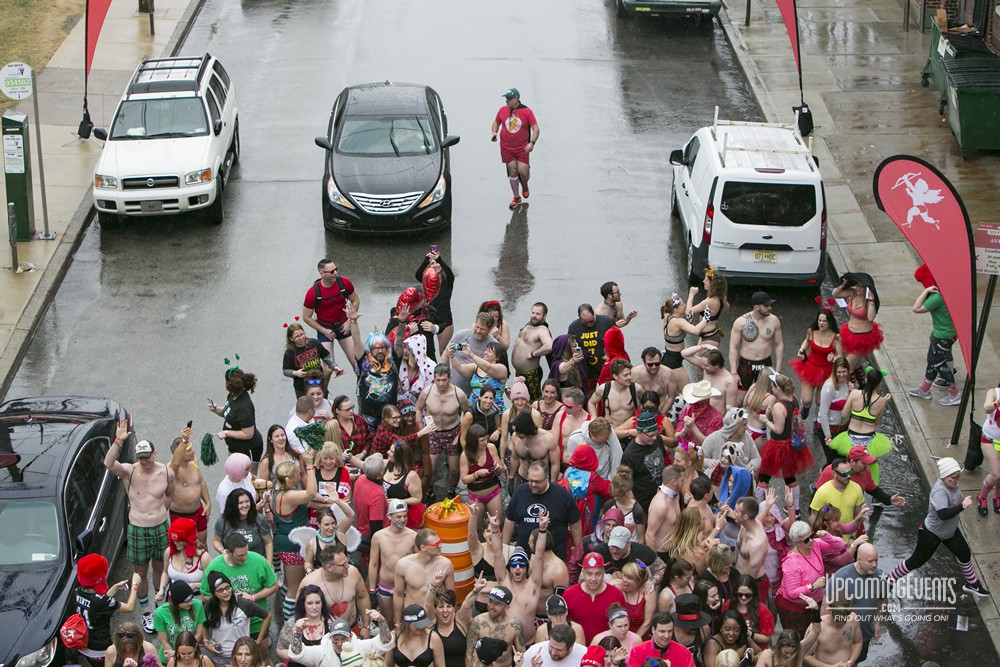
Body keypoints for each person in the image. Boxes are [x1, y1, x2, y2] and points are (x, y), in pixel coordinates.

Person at [103, 418, 175, 634]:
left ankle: (160, 607)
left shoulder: (166, 472)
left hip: (161, 526)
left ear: (154, 454)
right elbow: (108, 463)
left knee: (161, 568)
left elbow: (170, 494)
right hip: (138, 528)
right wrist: (118, 441)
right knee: (140, 571)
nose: (144, 461)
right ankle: (146, 612)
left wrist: (162, 511)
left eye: (147, 457)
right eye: (141, 458)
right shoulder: (130, 471)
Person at [888, 457, 990, 596]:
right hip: (932, 533)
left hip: (950, 531)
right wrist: (963, 505)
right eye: (952, 478)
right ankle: (889, 580)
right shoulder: (940, 491)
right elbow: (943, 514)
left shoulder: (953, 485)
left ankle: (972, 584)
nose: (955, 481)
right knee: (916, 561)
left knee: (964, 553)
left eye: (957, 478)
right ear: (944, 476)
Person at [200, 533, 278, 642]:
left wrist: (253, 597)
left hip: (256, 622)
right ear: (228, 551)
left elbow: (273, 586)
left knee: (261, 656)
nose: (245, 558)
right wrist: (227, 597)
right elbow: (205, 596)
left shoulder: (259, 561)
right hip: (227, 625)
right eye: (240, 556)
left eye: (246, 553)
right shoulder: (215, 566)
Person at [774, 521, 845, 637]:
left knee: (816, 633)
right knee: (799, 638)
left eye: (811, 536)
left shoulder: (815, 545)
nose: (811, 540)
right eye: (806, 540)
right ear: (797, 543)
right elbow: (791, 592)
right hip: (793, 606)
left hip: (814, 602)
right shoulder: (791, 563)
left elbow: (840, 546)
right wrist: (812, 586)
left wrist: (827, 536)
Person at [755, 373, 810, 516]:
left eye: (773, 386)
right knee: (790, 477)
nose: (771, 389)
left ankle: (762, 508)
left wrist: (765, 421)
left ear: (778, 389)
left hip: (778, 445)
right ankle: (795, 509)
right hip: (791, 444)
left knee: (764, 476)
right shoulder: (794, 399)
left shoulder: (779, 406)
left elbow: (778, 429)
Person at [504, 461, 583, 560]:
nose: (533, 485)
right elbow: (510, 520)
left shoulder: (562, 495)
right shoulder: (520, 492)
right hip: (524, 558)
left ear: (547, 478)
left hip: (554, 558)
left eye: (537, 481)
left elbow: (575, 522)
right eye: (530, 480)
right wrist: (504, 547)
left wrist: (578, 551)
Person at [273, 455, 320, 618]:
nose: (300, 476)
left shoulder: (276, 491)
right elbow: (311, 493)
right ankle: (289, 624)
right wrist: (309, 466)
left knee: (288, 583)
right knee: (295, 587)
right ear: (292, 478)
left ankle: (282, 608)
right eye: (298, 474)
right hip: (293, 544)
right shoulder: (289, 496)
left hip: (281, 542)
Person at [907, 264, 962, 406]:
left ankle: (954, 394)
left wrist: (926, 292)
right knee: (932, 359)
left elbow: (916, 308)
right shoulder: (951, 291)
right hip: (947, 333)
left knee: (938, 363)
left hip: (942, 335)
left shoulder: (937, 296)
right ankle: (924, 389)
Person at [828, 367, 893, 485]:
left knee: (848, 465)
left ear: (866, 380)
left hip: (850, 438)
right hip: (869, 440)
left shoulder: (854, 394)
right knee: (869, 465)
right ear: (879, 384)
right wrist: (884, 403)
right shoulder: (882, 400)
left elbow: (844, 414)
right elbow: (877, 422)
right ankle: (872, 486)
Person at [73, 554, 141, 664]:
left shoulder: (77, 592)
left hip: (83, 645)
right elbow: (130, 607)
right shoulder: (101, 602)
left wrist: (114, 588)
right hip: (101, 649)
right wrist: (135, 585)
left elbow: (98, 605)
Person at [490, 517, 548, 643]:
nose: (517, 568)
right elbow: (497, 553)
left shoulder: (533, 586)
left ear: (526, 569)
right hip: (504, 642)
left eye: (521, 565)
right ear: (509, 568)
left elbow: (539, 555)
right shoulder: (504, 582)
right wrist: (495, 530)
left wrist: (542, 530)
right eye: (514, 565)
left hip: (527, 643)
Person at [417, 363, 469, 497]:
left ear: (450, 378)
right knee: (429, 467)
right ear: (434, 379)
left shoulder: (459, 394)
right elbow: (418, 408)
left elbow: (468, 414)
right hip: (433, 433)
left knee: (454, 469)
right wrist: (421, 427)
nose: (441, 384)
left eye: (444, 380)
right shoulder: (427, 392)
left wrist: (462, 434)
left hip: (453, 432)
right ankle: (429, 491)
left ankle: (451, 491)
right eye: (438, 380)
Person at [828, 543, 886, 664]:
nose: (874, 565)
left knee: (856, 660)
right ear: (859, 560)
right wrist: (830, 631)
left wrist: (877, 622)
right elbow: (826, 606)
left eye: (876, 560)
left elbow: (882, 600)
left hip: (865, 633)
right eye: (870, 561)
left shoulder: (880, 577)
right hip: (844, 635)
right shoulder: (840, 578)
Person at [202, 571, 271, 665]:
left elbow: (267, 616)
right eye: (220, 590)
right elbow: (204, 624)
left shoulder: (243, 604)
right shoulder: (209, 607)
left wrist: (258, 641)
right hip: (219, 657)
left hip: (242, 658)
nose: (225, 592)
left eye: (227, 587)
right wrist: (207, 644)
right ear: (214, 593)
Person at [351, 313, 406, 431]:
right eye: (377, 348)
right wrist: (353, 322)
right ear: (371, 349)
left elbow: (400, 340)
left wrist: (402, 323)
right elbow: (356, 341)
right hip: (367, 419)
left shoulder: (393, 363)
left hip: (391, 419)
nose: (380, 350)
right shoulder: (364, 363)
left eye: (383, 347)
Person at [298, 542, 371, 628]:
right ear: (330, 567)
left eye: (347, 561)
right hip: (324, 633)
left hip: (352, 629)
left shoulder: (353, 573)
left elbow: (362, 597)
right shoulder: (309, 582)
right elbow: (300, 611)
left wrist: (366, 626)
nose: (348, 566)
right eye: (343, 564)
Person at [302, 258, 361, 363]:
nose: (336, 273)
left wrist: (349, 322)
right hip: (325, 329)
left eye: (336, 269)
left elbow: (355, 300)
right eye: (332, 271)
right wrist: (324, 331)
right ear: (322, 274)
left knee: (357, 363)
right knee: (328, 368)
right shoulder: (313, 293)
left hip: (344, 326)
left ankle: (360, 379)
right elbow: (306, 317)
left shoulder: (344, 283)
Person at [787, 306, 841, 420]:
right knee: (807, 399)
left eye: (824, 321)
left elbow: (840, 357)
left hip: (827, 370)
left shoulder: (836, 338)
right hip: (810, 367)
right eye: (819, 320)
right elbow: (806, 341)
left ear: (830, 322)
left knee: (820, 401)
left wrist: (834, 359)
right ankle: (805, 408)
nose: (821, 323)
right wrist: (801, 350)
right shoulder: (812, 331)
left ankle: (818, 419)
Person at [728, 292, 784, 399]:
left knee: (766, 398)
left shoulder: (774, 321)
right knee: (740, 399)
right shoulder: (740, 322)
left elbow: (779, 345)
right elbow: (733, 348)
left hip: (765, 364)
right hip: (746, 365)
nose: (770, 308)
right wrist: (734, 372)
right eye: (766, 306)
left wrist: (778, 370)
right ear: (757, 307)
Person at [394, 529, 456, 624]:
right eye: (436, 544)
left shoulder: (445, 564)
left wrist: (450, 621)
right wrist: (398, 623)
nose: (440, 546)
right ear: (423, 547)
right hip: (413, 617)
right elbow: (398, 595)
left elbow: (450, 596)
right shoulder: (403, 565)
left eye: (440, 542)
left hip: (434, 618)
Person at [492, 87, 539, 210]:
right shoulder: (502, 110)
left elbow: (535, 129)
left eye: (509, 99)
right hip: (507, 147)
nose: (506, 101)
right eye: (506, 99)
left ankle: (524, 186)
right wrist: (494, 133)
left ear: (517, 99)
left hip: (522, 148)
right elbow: (496, 122)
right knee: (512, 170)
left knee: (523, 172)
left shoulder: (527, 112)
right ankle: (516, 197)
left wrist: (532, 143)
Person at [288, 613, 395, 667]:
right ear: (330, 638)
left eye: (343, 639)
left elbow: (385, 643)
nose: (339, 644)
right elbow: (298, 654)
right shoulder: (322, 652)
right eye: (335, 640)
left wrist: (381, 621)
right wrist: (297, 634)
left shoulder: (362, 647)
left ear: (350, 637)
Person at [209, 368, 265, 467]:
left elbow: (248, 434)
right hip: (235, 446)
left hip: (248, 448)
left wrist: (226, 433)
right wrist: (216, 409)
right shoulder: (233, 395)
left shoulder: (244, 408)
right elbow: (227, 413)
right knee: (232, 474)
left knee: (248, 479)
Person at [168, 425, 213, 546]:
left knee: (202, 543)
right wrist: (184, 439)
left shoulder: (194, 462)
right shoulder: (172, 470)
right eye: (188, 450)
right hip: (181, 516)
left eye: (191, 448)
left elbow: (201, 481)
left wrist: (207, 502)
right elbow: (176, 463)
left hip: (198, 511)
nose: (193, 452)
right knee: (184, 547)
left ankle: (204, 565)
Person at [831, 272, 882, 376]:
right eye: (857, 285)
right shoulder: (852, 293)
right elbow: (835, 294)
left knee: (846, 366)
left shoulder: (869, 301)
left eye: (862, 287)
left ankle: (847, 388)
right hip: (849, 333)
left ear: (867, 288)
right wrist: (842, 285)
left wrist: (871, 302)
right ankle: (863, 384)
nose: (858, 289)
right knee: (855, 364)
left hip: (863, 339)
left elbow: (871, 317)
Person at [465, 585, 525, 667]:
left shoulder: (515, 625)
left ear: (507, 607)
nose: (491, 606)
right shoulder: (478, 622)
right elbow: (469, 654)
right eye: (490, 601)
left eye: (497, 603)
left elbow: (522, 654)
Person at [462, 424, 505, 536]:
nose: (485, 442)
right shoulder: (465, 455)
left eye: (486, 438)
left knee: (497, 523)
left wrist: (498, 468)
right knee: (477, 527)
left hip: (493, 491)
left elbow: (499, 469)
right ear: (474, 441)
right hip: (475, 495)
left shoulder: (491, 448)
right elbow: (464, 479)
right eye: (482, 440)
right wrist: (477, 474)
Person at [808, 458, 865, 542]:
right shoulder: (822, 492)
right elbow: (814, 517)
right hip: (828, 541)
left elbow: (857, 515)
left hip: (848, 540)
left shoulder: (856, 488)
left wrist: (852, 538)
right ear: (834, 473)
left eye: (850, 472)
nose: (848, 476)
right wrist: (821, 537)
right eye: (845, 474)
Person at [621, 411, 667, 512]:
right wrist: (636, 509)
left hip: (662, 496)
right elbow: (626, 485)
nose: (654, 437)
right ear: (639, 432)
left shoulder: (657, 439)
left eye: (656, 434)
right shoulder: (629, 455)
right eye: (650, 435)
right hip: (643, 504)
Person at [156, 518, 212, 601]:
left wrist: (196, 585)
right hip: (174, 601)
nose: (175, 543)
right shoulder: (169, 552)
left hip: (196, 602)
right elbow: (165, 572)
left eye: (179, 540)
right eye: (173, 540)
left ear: (189, 539)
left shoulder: (203, 557)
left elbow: (211, 582)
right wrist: (162, 589)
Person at [212, 488, 273, 562]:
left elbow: (268, 542)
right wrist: (222, 551)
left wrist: (268, 565)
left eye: (247, 501)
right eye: (240, 503)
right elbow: (216, 540)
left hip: (255, 563)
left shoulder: (259, 519)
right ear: (233, 505)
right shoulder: (223, 521)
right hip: (232, 564)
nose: (245, 505)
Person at [568, 304, 617, 395]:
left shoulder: (606, 322)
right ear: (579, 318)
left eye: (591, 321)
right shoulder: (574, 327)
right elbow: (569, 346)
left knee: (609, 392)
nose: (589, 324)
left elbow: (617, 340)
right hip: (587, 368)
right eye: (585, 323)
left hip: (605, 365)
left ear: (594, 313)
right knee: (589, 394)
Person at [448, 312, 501, 395]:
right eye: (477, 327)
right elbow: (445, 355)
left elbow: (498, 369)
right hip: (453, 386)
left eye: (482, 329)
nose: (478, 331)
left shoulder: (494, 346)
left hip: (476, 393)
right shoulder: (461, 335)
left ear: (489, 329)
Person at [284, 322, 341, 398]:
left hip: (318, 382)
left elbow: (326, 356)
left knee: (322, 404)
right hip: (302, 387)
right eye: (297, 336)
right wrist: (296, 373)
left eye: (302, 334)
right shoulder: (290, 352)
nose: (301, 338)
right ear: (291, 338)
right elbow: (285, 370)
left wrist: (333, 366)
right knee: (306, 407)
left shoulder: (314, 343)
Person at [808, 588, 862, 667]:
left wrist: (850, 662)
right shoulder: (819, 628)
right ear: (830, 610)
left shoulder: (853, 619)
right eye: (839, 617)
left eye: (846, 616)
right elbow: (806, 655)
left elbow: (858, 643)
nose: (844, 621)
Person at [154, 581, 207, 662]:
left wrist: (184, 652)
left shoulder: (198, 605)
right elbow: (164, 641)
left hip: (190, 655)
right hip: (170, 657)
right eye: (186, 601)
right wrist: (176, 655)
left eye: (191, 599)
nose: (190, 603)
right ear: (176, 602)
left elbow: (199, 634)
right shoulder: (160, 613)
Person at [510, 303, 553, 401]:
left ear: (544, 316)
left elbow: (549, 346)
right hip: (519, 372)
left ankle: (537, 416)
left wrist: (534, 354)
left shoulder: (542, 330)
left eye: (538, 314)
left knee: (534, 401)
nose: (534, 315)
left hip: (531, 374)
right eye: (533, 312)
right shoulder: (527, 326)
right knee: (519, 399)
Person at [416, 249, 456, 352]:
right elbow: (418, 275)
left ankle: (445, 368)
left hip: (445, 319)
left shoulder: (448, 280)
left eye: (437, 263)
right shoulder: (427, 280)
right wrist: (426, 260)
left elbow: (449, 272)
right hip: (429, 318)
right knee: (425, 350)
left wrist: (439, 259)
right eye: (432, 264)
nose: (436, 265)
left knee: (443, 350)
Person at [662, 293, 709, 380]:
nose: (685, 306)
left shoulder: (668, 316)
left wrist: (691, 295)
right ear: (675, 309)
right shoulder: (678, 322)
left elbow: (687, 314)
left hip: (670, 356)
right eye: (682, 305)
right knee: (685, 389)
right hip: (674, 361)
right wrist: (706, 318)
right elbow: (696, 331)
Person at [722, 575, 773, 653]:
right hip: (731, 649)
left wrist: (749, 634)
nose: (743, 598)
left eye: (748, 595)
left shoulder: (763, 610)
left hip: (756, 650)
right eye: (740, 594)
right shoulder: (728, 605)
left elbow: (766, 637)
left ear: (754, 593)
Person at [453, 342, 510, 413]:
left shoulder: (502, 368)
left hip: (493, 411)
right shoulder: (476, 366)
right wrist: (452, 355)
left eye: (489, 351)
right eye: (486, 350)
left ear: (497, 357)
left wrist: (471, 355)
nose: (485, 352)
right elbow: (460, 369)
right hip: (474, 411)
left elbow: (488, 368)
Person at [625, 611, 695, 667]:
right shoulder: (637, 651)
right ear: (653, 630)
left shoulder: (684, 653)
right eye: (662, 631)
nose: (667, 636)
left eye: (670, 631)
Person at [681, 346, 737, 415]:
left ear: (716, 365)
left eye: (705, 365)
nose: (702, 367)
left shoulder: (729, 382)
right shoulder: (706, 368)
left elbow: (730, 410)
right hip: (700, 415)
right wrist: (704, 346)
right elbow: (684, 354)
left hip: (716, 421)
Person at [815, 357, 851, 465]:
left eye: (844, 371)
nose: (842, 375)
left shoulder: (847, 384)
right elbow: (823, 412)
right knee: (833, 462)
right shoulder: (829, 387)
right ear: (834, 371)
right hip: (830, 430)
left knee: (842, 460)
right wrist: (828, 436)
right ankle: (821, 480)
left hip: (842, 430)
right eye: (839, 372)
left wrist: (853, 391)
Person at [589, 359, 645, 428]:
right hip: (610, 430)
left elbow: (646, 403)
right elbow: (591, 403)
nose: (630, 377)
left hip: (630, 432)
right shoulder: (604, 389)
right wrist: (595, 418)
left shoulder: (636, 389)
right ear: (615, 376)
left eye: (630, 374)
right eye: (625, 375)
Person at [509, 411, 560, 484]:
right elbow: (514, 458)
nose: (516, 435)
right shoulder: (515, 437)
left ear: (527, 430)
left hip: (540, 481)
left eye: (519, 433)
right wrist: (511, 477)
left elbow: (555, 464)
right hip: (522, 478)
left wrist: (553, 483)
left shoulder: (548, 439)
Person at [354, 454, 389, 563]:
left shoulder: (361, 479)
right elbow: (376, 525)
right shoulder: (377, 494)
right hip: (371, 535)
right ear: (380, 473)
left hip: (361, 527)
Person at [646, 466, 684, 561]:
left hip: (673, 552)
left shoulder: (676, 496)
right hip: (661, 554)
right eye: (682, 480)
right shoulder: (660, 504)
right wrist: (655, 562)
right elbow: (649, 535)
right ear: (674, 482)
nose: (685, 483)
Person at [687, 265, 729, 348]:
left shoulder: (709, 301)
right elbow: (727, 309)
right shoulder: (721, 297)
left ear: (712, 284)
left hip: (709, 338)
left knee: (697, 359)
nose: (703, 281)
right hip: (709, 335)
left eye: (706, 280)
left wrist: (691, 295)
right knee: (695, 357)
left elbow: (689, 312)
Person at [602, 466, 646, 543]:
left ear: (628, 492)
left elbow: (641, 539)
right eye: (613, 496)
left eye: (619, 497)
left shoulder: (637, 511)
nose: (615, 499)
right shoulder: (609, 505)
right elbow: (603, 532)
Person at [631, 348, 678, 416]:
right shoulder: (635, 373)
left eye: (657, 364)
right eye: (650, 364)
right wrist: (639, 415)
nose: (654, 367)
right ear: (644, 362)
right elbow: (632, 396)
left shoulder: (668, 373)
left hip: (661, 410)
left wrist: (661, 415)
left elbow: (671, 397)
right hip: (641, 412)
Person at [675, 381, 723, 446]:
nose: (696, 405)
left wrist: (693, 427)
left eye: (700, 402)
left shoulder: (716, 418)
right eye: (695, 402)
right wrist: (685, 430)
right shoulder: (686, 411)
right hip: (685, 451)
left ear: (707, 400)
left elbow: (708, 444)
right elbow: (676, 439)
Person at [521, 624, 587, 667]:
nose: (553, 652)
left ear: (571, 647)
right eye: (551, 646)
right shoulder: (533, 652)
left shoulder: (586, 656)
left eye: (559, 650)